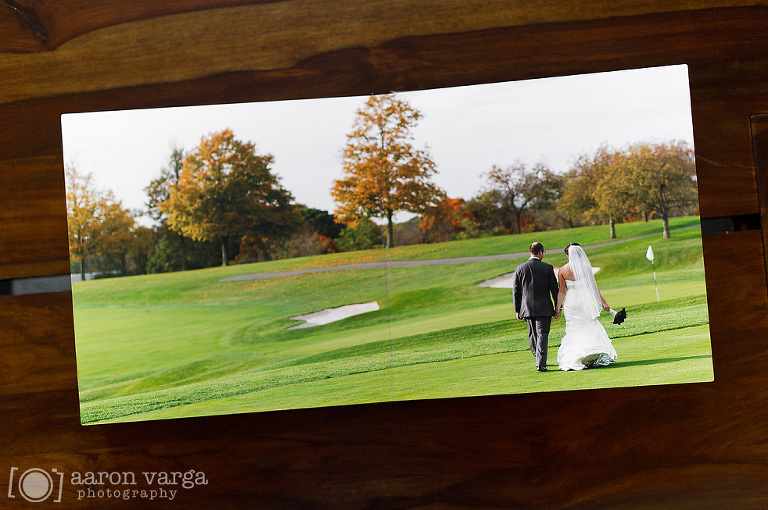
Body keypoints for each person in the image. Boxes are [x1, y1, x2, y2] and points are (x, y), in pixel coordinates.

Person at [555, 243, 617, 371]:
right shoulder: (586, 268)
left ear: (568, 255)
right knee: (589, 325)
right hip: (584, 302)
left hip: (571, 304)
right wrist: (604, 302)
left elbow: (561, 292)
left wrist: (557, 308)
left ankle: (578, 356)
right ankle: (591, 355)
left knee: (574, 329)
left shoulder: (562, 270)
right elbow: (594, 287)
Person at [513, 242, 559, 372]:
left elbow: (516, 291)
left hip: (526, 308)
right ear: (540, 252)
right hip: (544, 307)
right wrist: (558, 307)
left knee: (533, 335)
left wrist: (517, 310)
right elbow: (554, 289)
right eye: (543, 253)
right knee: (542, 334)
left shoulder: (519, 268)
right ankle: (541, 363)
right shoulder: (547, 268)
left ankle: (538, 359)